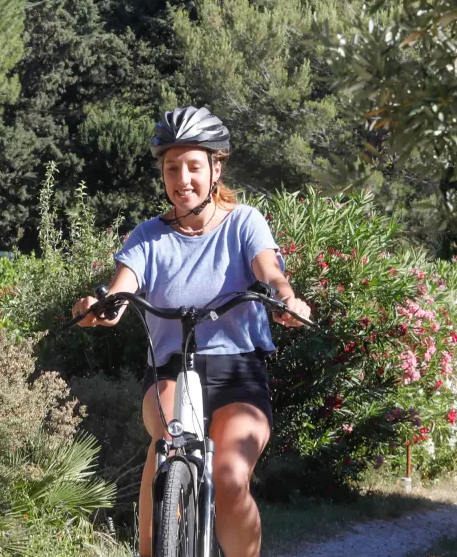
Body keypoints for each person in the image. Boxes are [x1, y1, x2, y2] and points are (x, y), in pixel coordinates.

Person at [72, 107, 310, 557]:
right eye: (171, 168)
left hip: (238, 372)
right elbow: (122, 289)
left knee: (230, 478)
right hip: (170, 371)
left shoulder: (244, 222)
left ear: (215, 168)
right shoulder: (147, 236)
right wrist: (101, 307)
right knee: (167, 447)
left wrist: (286, 298)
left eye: (194, 166)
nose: (183, 179)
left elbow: (270, 272)